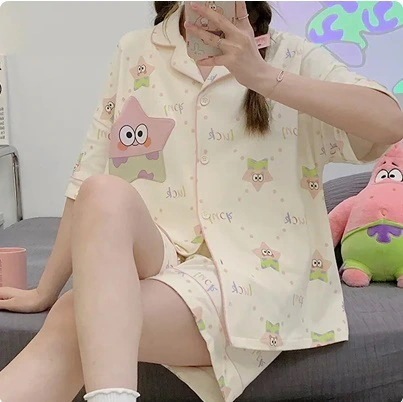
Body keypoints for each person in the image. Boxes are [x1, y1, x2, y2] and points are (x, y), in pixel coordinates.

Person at [0, 2, 402, 402]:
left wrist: (261, 75)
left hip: (252, 277)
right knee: (101, 190)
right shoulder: (135, 50)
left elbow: (390, 121)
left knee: (76, 315)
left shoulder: (291, 56)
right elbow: (87, 175)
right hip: (159, 252)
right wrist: (44, 290)